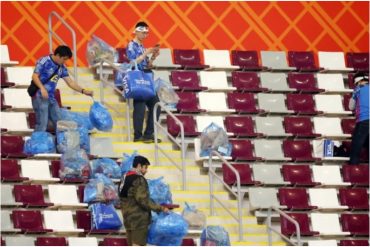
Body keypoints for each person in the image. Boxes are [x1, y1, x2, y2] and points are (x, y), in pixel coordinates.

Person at [30, 45, 93, 131]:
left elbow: (70, 82)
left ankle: (61, 142)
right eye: (64, 59)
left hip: (51, 97)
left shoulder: (62, 67)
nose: (65, 61)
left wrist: (83, 91)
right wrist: (42, 88)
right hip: (40, 96)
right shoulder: (44, 61)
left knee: (59, 122)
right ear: (58, 55)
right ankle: (37, 143)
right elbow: (34, 76)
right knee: (42, 123)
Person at [119, 155, 169, 246]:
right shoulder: (139, 179)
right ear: (139, 166)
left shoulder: (124, 177)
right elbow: (144, 200)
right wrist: (160, 208)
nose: (146, 170)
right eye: (145, 167)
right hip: (139, 221)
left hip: (127, 220)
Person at [126, 21, 161, 143]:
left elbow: (147, 65)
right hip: (137, 79)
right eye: (143, 32)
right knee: (140, 107)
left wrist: (153, 57)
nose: (145, 35)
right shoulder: (131, 45)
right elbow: (133, 62)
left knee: (156, 105)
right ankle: (137, 136)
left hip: (147, 79)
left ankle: (148, 134)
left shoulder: (142, 47)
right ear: (136, 31)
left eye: (147, 33)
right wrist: (146, 53)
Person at [348, 72, 369, 164]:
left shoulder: (358, 89)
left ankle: (353, 171)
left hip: (364, 120)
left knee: (356, 147)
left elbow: (351, 107)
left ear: (357, 82)